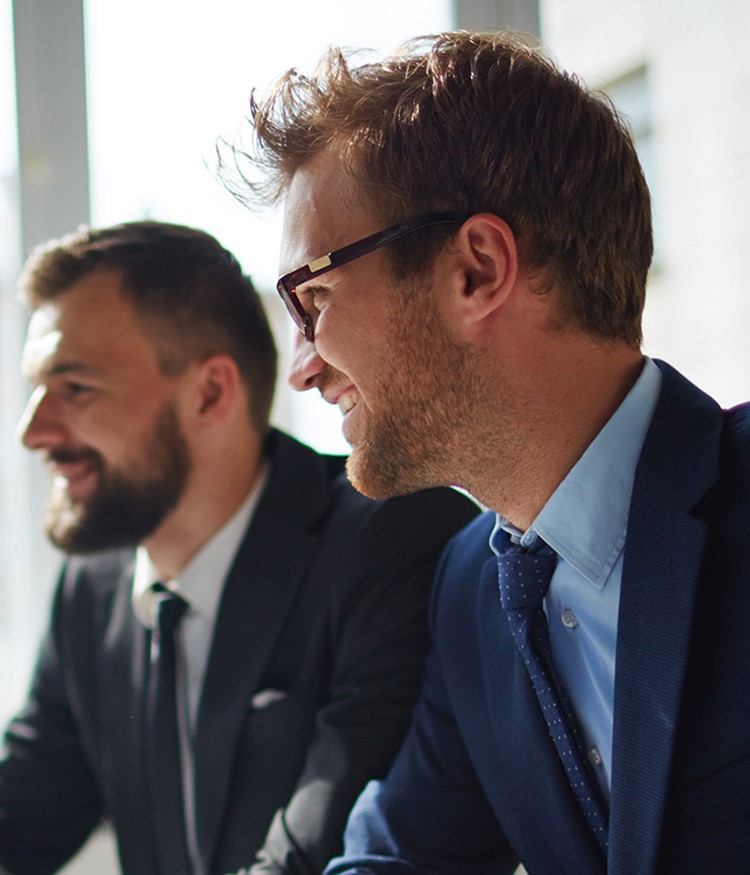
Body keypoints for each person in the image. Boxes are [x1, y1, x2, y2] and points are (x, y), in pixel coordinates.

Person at [232, 29, 750, 875]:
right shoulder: (473, 588)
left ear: (477, 268)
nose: (302, 370)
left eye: (314, 298)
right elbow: (397, 855)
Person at [0, 221, 478, 875]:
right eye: (36, 388)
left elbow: (322, 855)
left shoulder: (392, 542)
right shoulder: (94, 586)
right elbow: (22, 814)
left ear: (210, 393)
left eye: (76, 388)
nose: (33, 432)